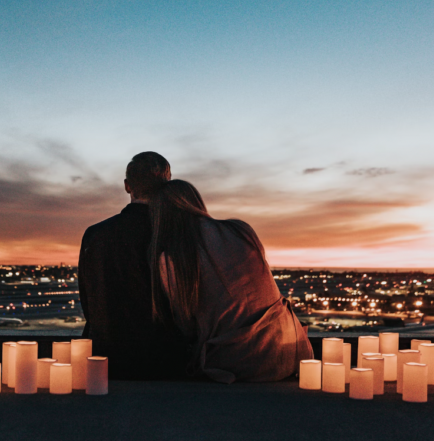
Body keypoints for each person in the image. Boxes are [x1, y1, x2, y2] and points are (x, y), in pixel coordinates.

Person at [149, 179, 313, 383]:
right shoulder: (241, 230)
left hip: (238, 363)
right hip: (291, 351)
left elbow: (186, 326)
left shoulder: (172, 258)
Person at [78, 152, 189, 379]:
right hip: (165, 361)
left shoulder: (95, 235)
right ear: (167, 185)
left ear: (127, 186)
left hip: (106, 359)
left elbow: (90, 305)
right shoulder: (179, 235)